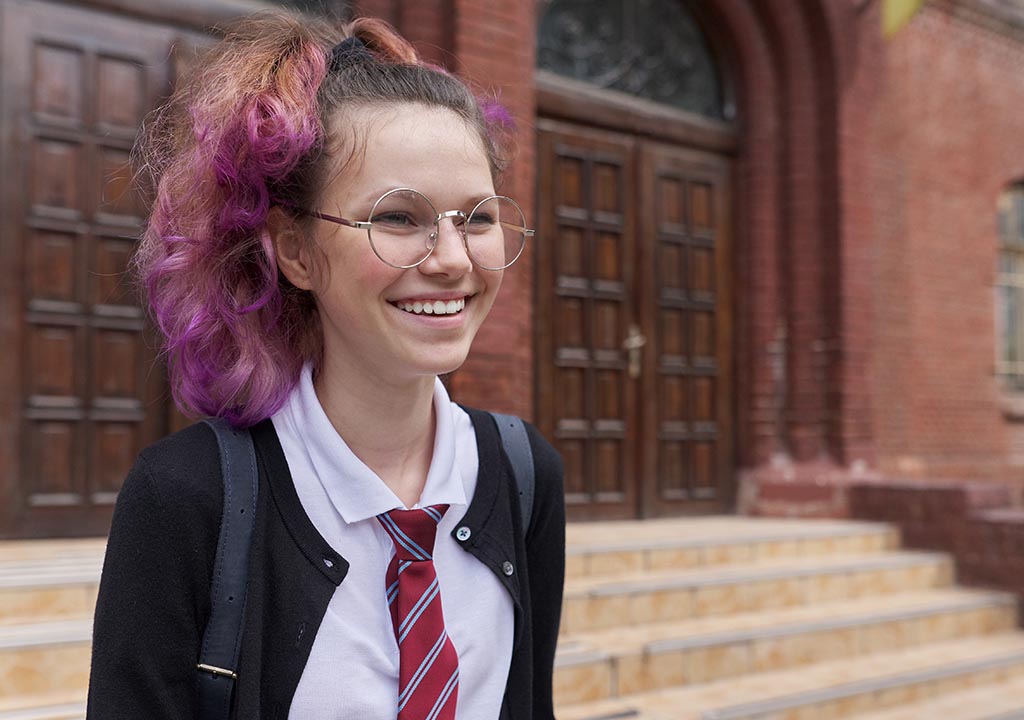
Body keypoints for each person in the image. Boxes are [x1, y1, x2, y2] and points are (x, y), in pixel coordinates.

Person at [86, 10, 565, 720]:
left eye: (477, 217)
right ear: (297, 251)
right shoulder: (186, 499)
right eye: (399, 217)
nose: (453, 260)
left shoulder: (524, 474)